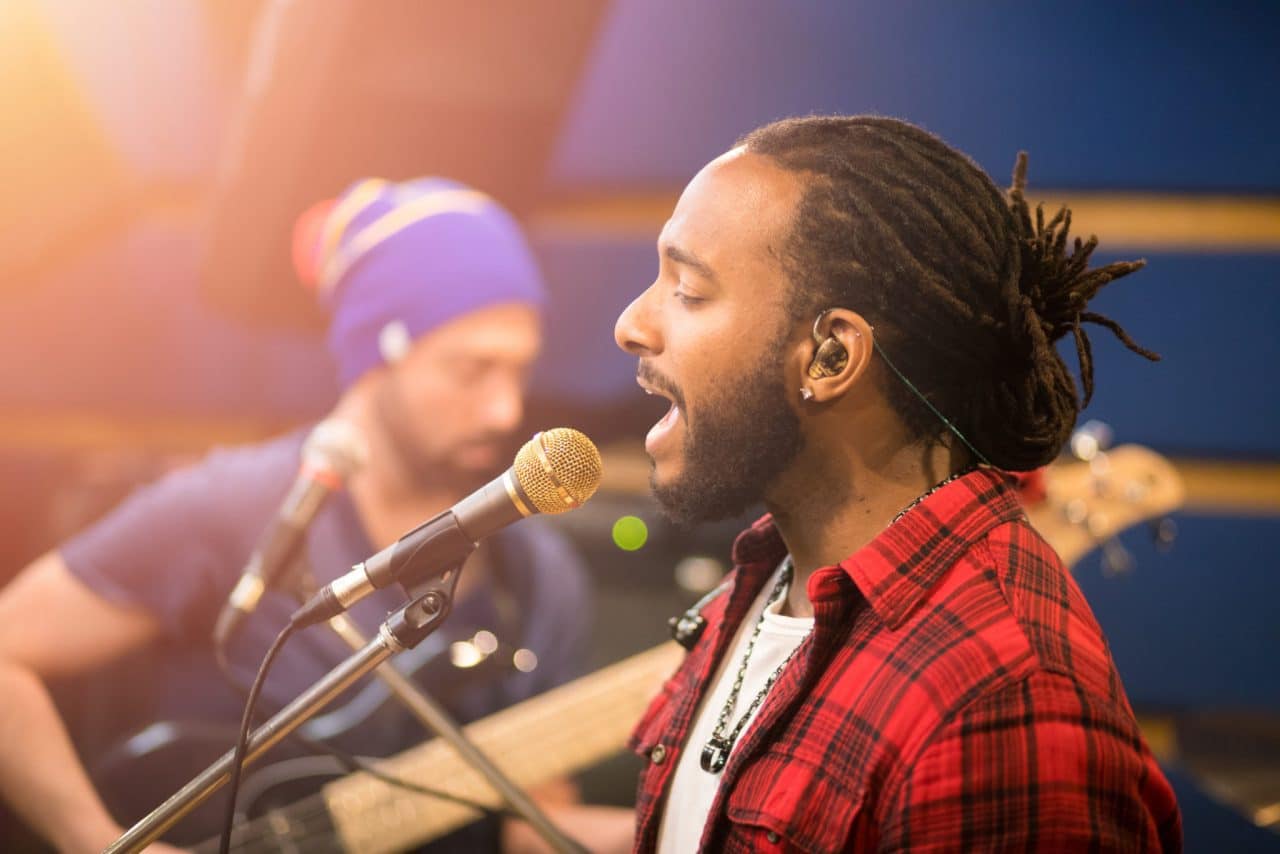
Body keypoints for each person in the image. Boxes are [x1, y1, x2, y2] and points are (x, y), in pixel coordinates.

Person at [604, 116, 1181, 851]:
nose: (631, 324)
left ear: (830, 357)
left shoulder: (1002, 700)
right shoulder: (769, 582)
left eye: (688, 289)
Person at [0, 177, 592, 852]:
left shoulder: (542, 570)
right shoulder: (234, 506)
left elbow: (534, 823)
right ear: (378, 351)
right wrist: (89, 838)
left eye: (519, 372)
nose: (505, 411)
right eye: (470, 369)